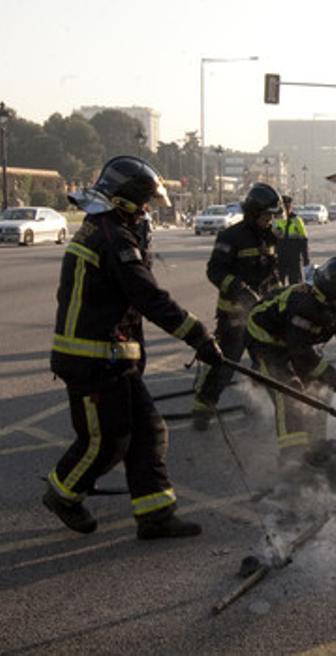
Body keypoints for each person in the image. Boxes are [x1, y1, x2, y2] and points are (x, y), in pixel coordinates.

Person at [43, 156, 223, 539]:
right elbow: (146, 296)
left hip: (112, 357)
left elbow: (128, 307)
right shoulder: (113, 237)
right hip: (90, 359)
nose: (146, 212)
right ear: (125, 199)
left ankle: (155, 515)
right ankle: (62, 493)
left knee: (149, 432)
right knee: (108, 442)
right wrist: (199, 336)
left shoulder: (111, 229)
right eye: (143, 203)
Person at [244, 256, 336, 462]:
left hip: (296, 343)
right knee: (290, 391)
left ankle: (315, 444)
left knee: (319, 391)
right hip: (266, 343)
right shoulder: (304, 306)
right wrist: (332, 376)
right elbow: (301, 353)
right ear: (334, 294)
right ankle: (292, 458)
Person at [191, 182, 282, 429]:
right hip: (234, 315)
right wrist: (240, 290)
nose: (270, 220)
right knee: (224, 365)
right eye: (267, 215)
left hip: (262, 316)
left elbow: (273, 274)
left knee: (268, 365)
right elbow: (215, 271)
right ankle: (203, 409)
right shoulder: (231, 237)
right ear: (254, 213)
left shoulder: (271, 237)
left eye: (272, 216)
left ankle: (262, 406)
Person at [273, 194, 310, 285]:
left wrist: (306, 258)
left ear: (290, 206)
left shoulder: (297, 220)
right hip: (280, 257)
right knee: (277, 284)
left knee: (295, 285)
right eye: (283, 206)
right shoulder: (275, 220)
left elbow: (304, 240)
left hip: (294, 258)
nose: (286, 208)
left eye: (287, 206)